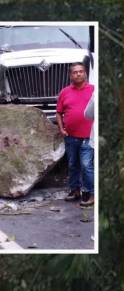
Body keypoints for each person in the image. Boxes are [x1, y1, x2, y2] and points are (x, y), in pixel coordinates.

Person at [56, 62, 95, 207]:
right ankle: (74, 190)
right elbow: (59, 112)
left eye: (81, 71)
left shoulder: (94, 90)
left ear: (85, 73)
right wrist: (61, 128)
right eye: (75, 72)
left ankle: (92, 193)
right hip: (71, 135)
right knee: (73, 164)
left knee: (86, 165)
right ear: (70, 75)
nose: (78, 74)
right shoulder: (65, 92)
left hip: (88, 136)